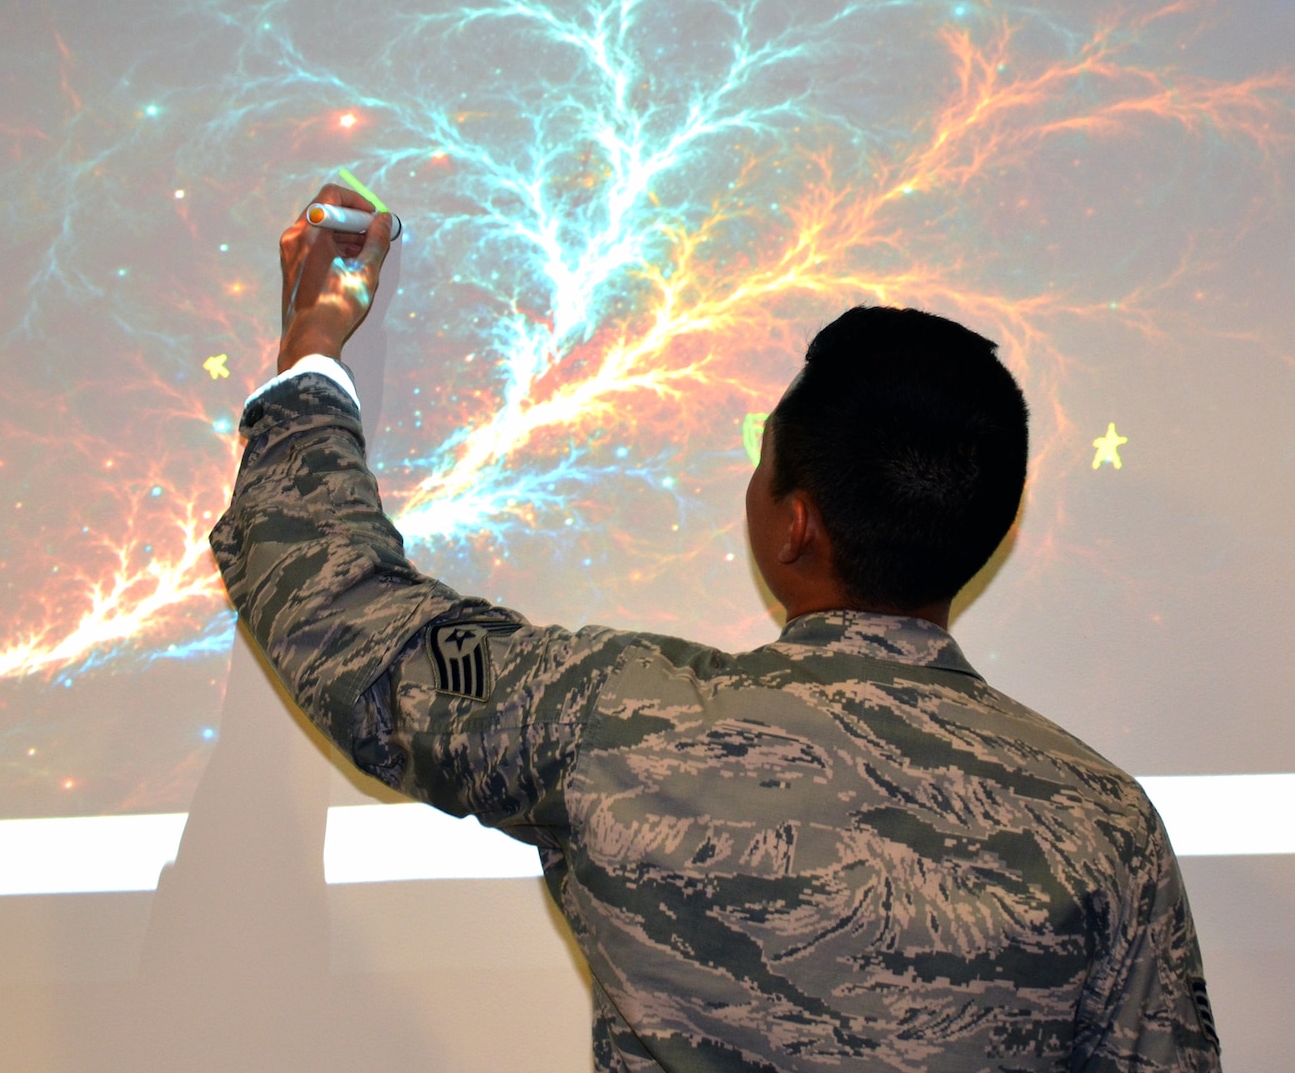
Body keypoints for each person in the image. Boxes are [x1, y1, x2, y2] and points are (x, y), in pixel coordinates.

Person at [210, 184, 1221, 1072]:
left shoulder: (620, 726)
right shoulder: (1099, 825)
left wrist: (312, 354)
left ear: (794, 527)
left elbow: (349, 623)